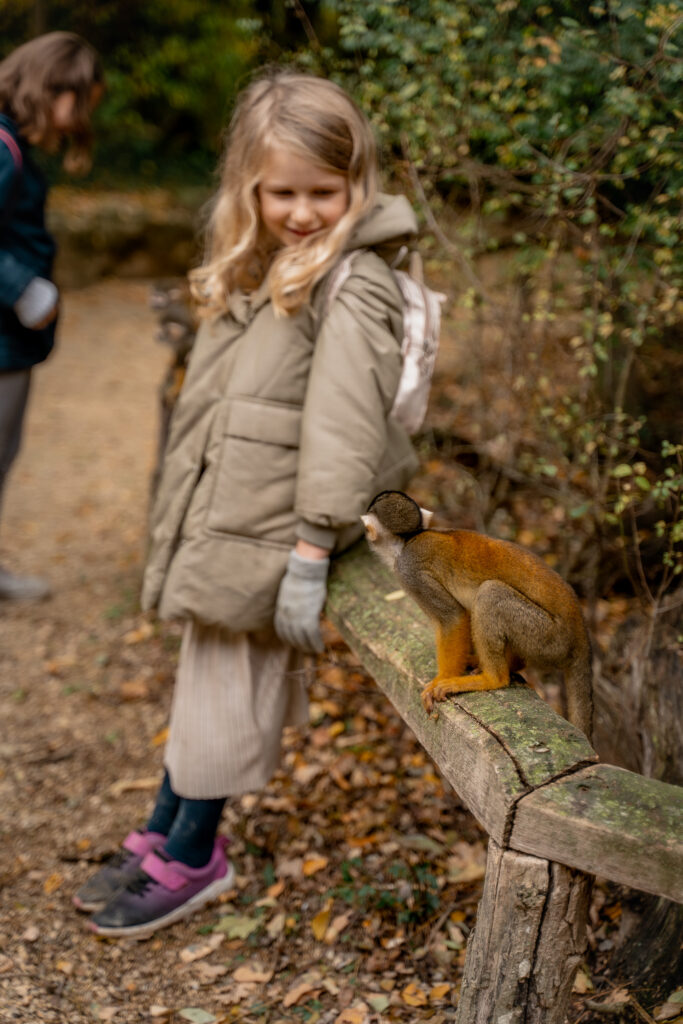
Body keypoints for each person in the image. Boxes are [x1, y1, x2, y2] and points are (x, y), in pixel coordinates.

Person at [74, 69, 419, 939]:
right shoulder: (270, 266)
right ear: (249, 188)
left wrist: (310, 549)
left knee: (225, 703)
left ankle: (195, 854)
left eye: (322, 192)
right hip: (230, 524)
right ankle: (164, 829)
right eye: (281, 193)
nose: (301, 212)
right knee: (204, 690)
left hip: (274, 537)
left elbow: (343, 428)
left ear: (356, 182)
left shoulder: (355, 281)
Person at [0, 32, 103, 599]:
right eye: (81, 103)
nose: (82, 119)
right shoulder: (2, 148)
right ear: (53, 87)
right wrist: (22, 289)